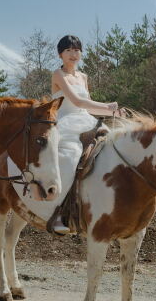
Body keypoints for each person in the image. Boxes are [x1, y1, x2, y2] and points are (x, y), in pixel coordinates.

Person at [10, 35, 122, 234]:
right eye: (68, 50)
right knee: (70, 157)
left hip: (86, 120)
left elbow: (88, 107)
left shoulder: (84, 77)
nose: (73, 54)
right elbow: (77, 102)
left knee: (114, 149)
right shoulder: (58, 75)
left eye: (77, 50)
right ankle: (57, 213)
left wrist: (115, 112)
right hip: (66, 122)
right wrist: (108, 106)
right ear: (60, 54)